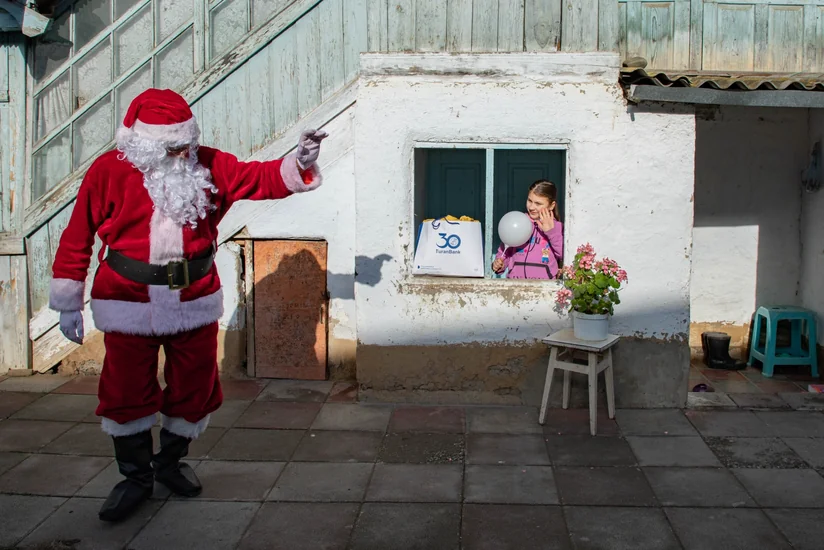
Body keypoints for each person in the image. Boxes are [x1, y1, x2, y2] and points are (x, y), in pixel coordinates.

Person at [48, 88, 327, 522]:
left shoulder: (211, 164)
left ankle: (170, 463)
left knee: (195, 387)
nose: (182, 155)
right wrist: (67, 299)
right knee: (125, 391)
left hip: (194, 300)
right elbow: (78, 234)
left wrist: (300, 162)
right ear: (143, 144)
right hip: (128, 301)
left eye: (186, 145)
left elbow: (263, 178)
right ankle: (135, 478)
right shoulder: (108, 171)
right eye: (172, 148)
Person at [492, 180, 563, 279]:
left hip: (545, 286)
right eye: (530, 201)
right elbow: (505, 251)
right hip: (516, 284)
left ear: (551, 206)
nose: (532, 207)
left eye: (538, 203)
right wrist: (500, 263)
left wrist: (551, 232)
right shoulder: (518, 222)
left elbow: (563, 254)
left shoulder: (557, 227)